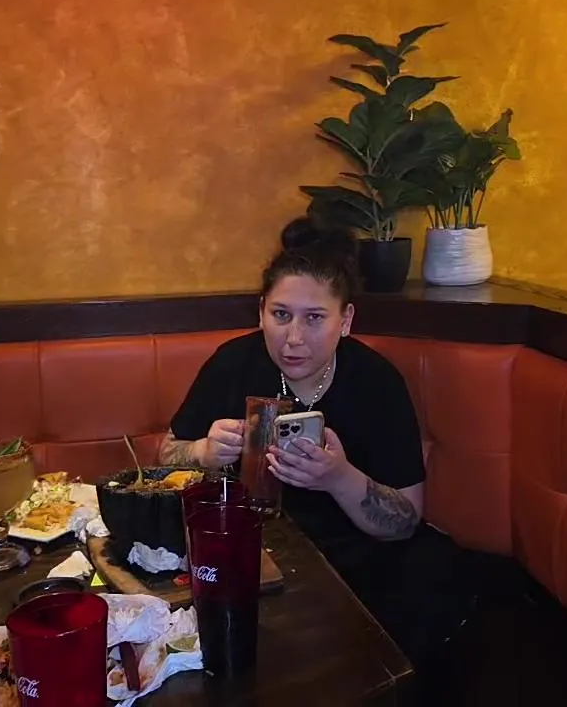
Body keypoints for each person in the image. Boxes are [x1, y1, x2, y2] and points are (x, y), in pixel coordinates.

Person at [158, 216, 478, 690]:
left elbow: (405, 520)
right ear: (260, 312)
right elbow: (165, 454)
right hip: (254, 544)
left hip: (359, 552)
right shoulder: (233, 362)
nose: (293, 338)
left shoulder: (376, 381)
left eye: (314, 318)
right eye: (281, 314)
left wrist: (339, 477)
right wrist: (204, 451)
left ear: (345, 321)